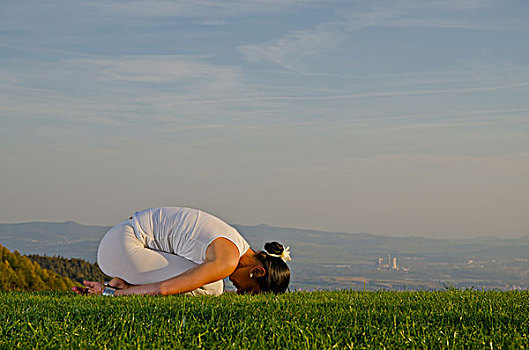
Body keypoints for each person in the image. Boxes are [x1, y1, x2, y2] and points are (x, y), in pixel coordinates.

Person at [72, 207, 291, 296]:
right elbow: (166, 288)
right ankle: (119, 289)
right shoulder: (228, 259)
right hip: (122, 247)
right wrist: (113, 295)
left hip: (123, 239)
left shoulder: (236, 242)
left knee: (210, 283)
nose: (241, 293)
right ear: (258, 272)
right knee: (214, 287)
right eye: (250, 291)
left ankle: (124, 284)